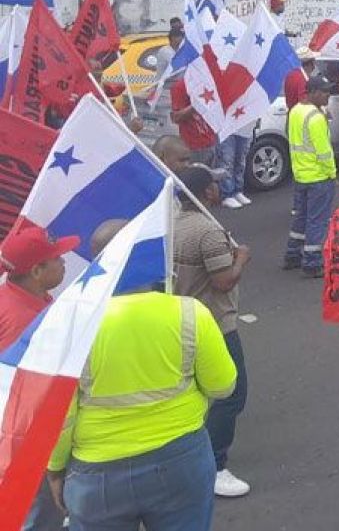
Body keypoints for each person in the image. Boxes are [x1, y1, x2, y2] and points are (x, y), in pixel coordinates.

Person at [48, 218, 236, 531]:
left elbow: (61, 416)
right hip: (181, 459)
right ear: (151, 258)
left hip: (98, 473)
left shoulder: (71, 326)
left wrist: (55, 469)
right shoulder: (190, 313)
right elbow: (223, 386)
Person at [170, 166, 253, 498]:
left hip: (183, 320)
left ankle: (194, 456)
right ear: (205, 192)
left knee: (199, 395)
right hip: (215, 324)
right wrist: (242, 259)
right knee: (232, 393)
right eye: (215, 186)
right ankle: (215, 467)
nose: (220, 189)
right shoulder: (207, 231)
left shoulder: (175, 224)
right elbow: (223, 281)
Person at [0, 226, 77, 531]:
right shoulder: (21, 320)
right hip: (26, 433)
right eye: (57, 258)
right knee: (37, 510)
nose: (64, 263)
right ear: (36, 270)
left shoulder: (27, 296)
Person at [283, 76, 337, 278]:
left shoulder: (296, 110)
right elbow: (324, 152)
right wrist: (332, 173)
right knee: (317, 221)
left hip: (301, 175)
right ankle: (312, 262)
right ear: (312, 92)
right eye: (324, 92)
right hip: (319, 177)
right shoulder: (315, 117)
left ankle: (292, 255)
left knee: (301, 218)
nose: (328, 96)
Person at [170, 76, 218, 166]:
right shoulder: (181, 86)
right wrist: (196, 105)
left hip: (211, 143)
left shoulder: (210, 83)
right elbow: (176, 117)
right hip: (193, 146)